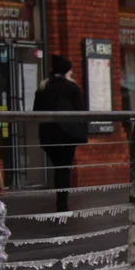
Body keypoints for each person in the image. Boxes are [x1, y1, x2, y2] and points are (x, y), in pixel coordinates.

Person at [32, 55, 87, 212]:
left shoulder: (43, 88)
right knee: (64, 169)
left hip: (48, 136)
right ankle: (62, 203)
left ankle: (61, 201)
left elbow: (36, 112)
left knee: (58, 168)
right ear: (66, 72)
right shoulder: (72, 88)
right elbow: (81, 111)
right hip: (67, 135)